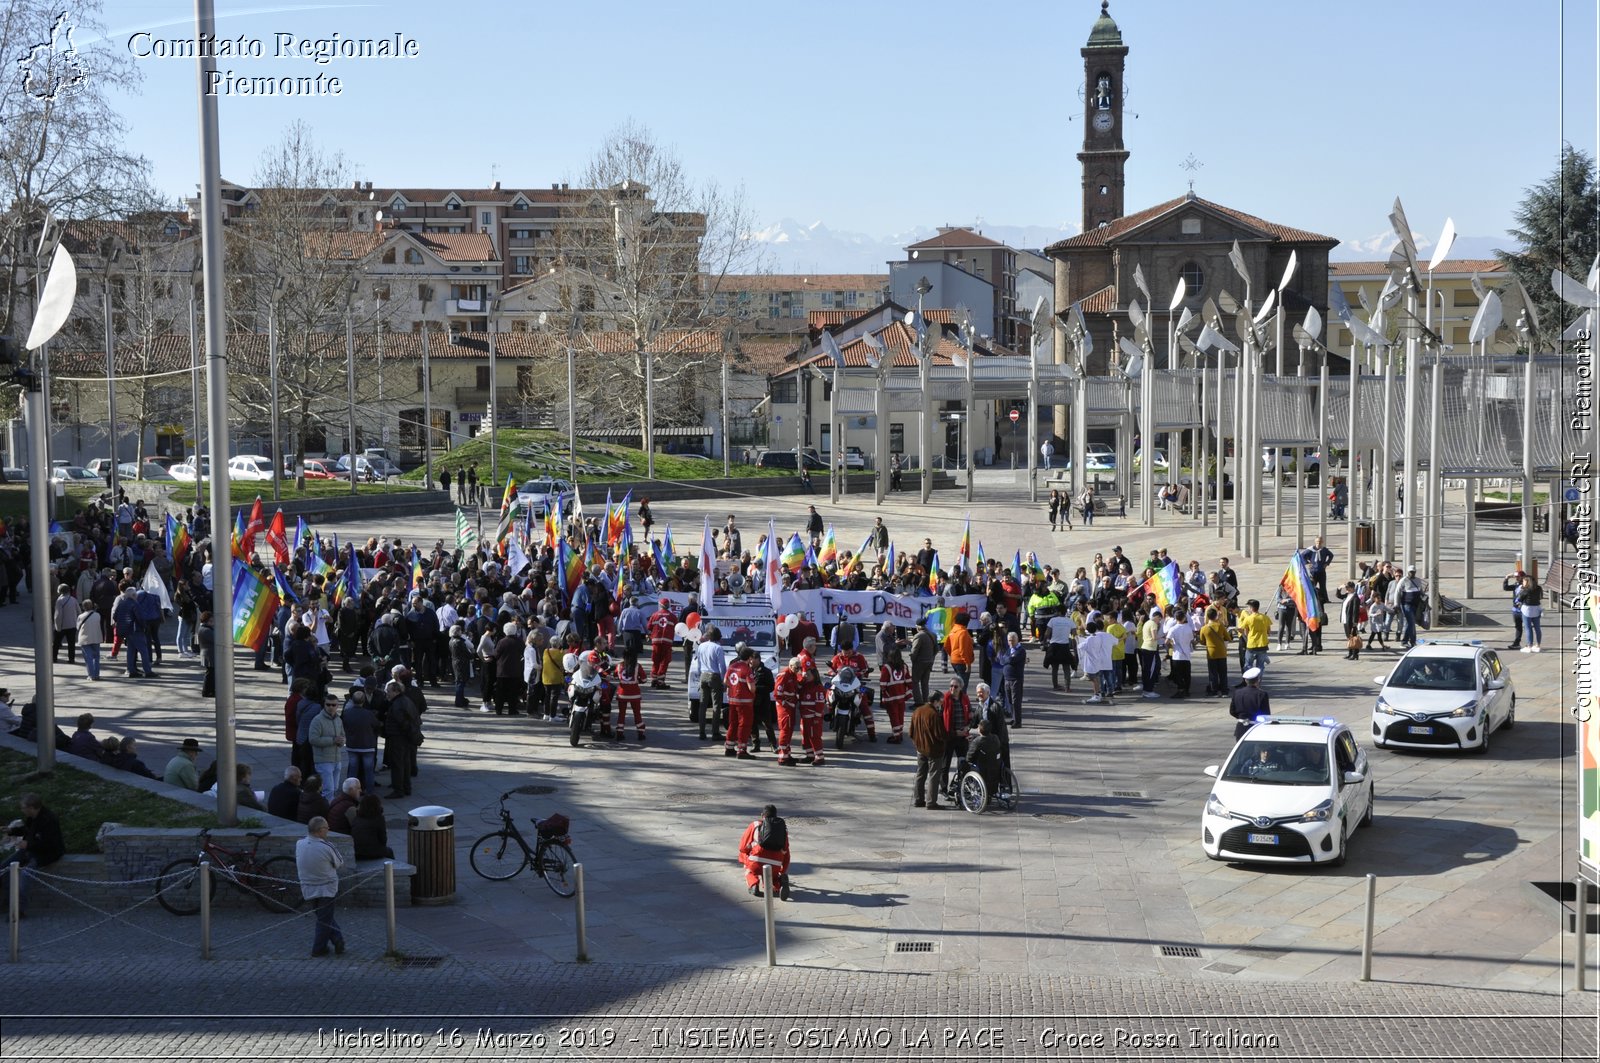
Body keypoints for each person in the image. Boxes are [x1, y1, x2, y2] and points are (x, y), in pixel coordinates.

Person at [3, 794, 64, 916]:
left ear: (31, 808)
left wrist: (28, 845)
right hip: (30, 849)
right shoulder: (32, 817)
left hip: (46, 853)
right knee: (4, 868)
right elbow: (27, 830)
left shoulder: (49, 820)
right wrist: (11, 831)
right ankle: (7, 902)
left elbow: (49, 844)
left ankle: (19, 910)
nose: (22, 810)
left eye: (23, 807)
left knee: (25, 875)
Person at [295, 816, 346, 957]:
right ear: (319, 830)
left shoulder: (300, 843)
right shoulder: (326, 846)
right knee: (324, 919)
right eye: (327, 828)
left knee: (323, 916)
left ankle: (337, 939)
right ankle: (319, 949)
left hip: (308, 886)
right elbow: (340, 862)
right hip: (326, 888)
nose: (328, 830)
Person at [738, 804, 791, 900]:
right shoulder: (782, 829)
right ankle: (779, 884)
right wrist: (782, 871)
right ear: (776, 815)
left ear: (762, 815)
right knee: (773, 876)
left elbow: (742, 848)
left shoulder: (755, 824)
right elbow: (786, 852)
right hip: (775, 864)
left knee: (749, 868)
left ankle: (753, 885)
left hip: (756, 861)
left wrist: (747, 852)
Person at [308, 697, 346, 800]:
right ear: (324, 705)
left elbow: (342, 735)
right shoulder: (317, 720)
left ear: (337, 706)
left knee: (335, 788)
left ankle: (330, 810)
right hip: (323, 760)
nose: (331, 707)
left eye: (333, 705)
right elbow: (313, 739)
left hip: (337, 759)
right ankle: (327, 811)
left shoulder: (338, 719)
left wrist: (342, 741)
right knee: (328, 790)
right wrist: (333, 740)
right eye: (328, 704)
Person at [723, 644, 756, 758]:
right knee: (744, 725)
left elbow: (726, 681)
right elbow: (751, 688)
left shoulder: (732, 666)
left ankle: (729, 748)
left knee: (733, 723)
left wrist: (734, 688)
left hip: (732, 700)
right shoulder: (747, 669)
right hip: (745, 702)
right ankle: (742, 750)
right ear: (749, 658)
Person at [1229, 667, 1271, 738]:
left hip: (1241, 727)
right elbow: (1266, 714)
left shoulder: (1237, 693)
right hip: (1256, 727)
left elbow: (1232, 711)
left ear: (1245, 680)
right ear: (1258, 680)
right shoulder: (1262, 694)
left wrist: (1243, 718)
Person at [350, 793, 393, 859]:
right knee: (390, 852)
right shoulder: (379, 818)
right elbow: (383, 840)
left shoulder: (357, 817)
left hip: (357, 852)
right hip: (371, 852)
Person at [1238, 599, 1271, 678]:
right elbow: (1268, 631)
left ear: (1251, 608)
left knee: (1248, 666)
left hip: (1252, 645)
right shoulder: (1265, 617)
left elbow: (1244, 631)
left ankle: (1249, 682)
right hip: (1263, 644)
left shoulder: (1248, 619)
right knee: (1260, 667)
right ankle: (1258, 682)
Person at [51, 584, 79, 664]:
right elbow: (78, 611)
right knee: (71, 643)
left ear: (60, 591)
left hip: (62, 625)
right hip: (72, 625)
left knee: (56, 643)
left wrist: (57, 627)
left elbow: (58, 615)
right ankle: (71, 659)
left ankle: (54, 657)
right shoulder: (73, 599)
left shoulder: (59, 601)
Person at [76, 601, 104, 681]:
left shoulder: (81, 616)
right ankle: (96, 674)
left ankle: (91, 675)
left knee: (88, 658)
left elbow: (78, 627)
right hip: (96, 638)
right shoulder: (97, 615)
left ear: (83, 607)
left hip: (84, 639)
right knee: (96, 657)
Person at [1502, 566, 1526, 651]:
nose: (1516, 578)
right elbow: (1506, 588)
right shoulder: (1516, 585)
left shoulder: (1526, 585)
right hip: (1516, 609)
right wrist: (1506, 578)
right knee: (1518, 627)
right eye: (1515, 577)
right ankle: (1517, 643)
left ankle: (1529, 643)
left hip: (1524, 609)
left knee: (1527, 627)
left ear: (1522, 577)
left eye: (1518, 577)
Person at [1519, 574, 1544, 653]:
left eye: (1523, 581)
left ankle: (1529, 645)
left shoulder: (1525, 590)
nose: (1522, 582)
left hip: (1527, 610)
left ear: (1527, 582)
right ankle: (1538, 645)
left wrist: (1521, 589)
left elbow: (1519, 599)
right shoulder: (1539, 588)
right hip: (1537, 609)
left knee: (1528, 628)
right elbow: (1540, 597)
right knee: (1537, 628)